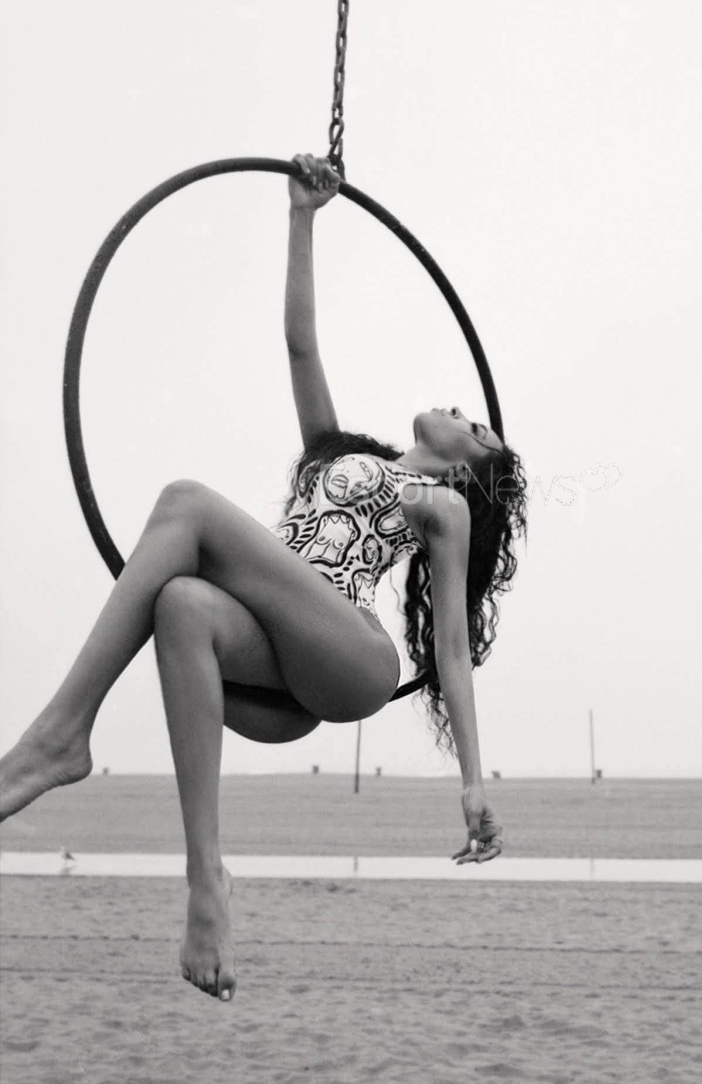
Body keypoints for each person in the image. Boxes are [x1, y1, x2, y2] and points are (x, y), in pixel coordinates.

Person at [0, 154, 528, 1002]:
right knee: (179, 602)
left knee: (185, 504)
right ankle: (206, 883)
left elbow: (454, 654)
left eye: (477, 429)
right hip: (275, 674)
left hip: (349, 659)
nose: (462, 412)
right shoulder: (339, 454)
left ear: (471, 472)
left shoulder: (441, 506)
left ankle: (59, 737)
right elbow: (299, 343)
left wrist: (471, 784)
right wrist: (301, 215)